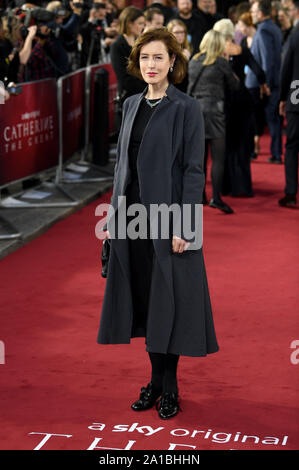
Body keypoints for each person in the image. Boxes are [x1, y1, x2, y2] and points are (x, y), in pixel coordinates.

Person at [97, 27, 219, 419]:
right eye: (145, 58)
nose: (151, 65)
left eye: (159, 58)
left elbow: (193, 171)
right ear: (137, 62)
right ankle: (153, 381)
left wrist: (186, 227)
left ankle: (170, 387)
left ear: (172, 63)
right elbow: (122, 168)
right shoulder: (131, 104)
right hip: (132, 220)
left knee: (171, 304)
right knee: (146, 303)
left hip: (169, 221)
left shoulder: (186, 108)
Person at [213, 18, 268, 197]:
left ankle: (226, 186)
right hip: (243, 102)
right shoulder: (242, 51)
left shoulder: (216, 53)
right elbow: (259, 71)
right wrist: (263, 85)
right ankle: (242, 187)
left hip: (225, 103)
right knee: (242, 145)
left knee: (226, 145)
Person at [187, 29, 239, 213]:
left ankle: (199, 195)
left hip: (194, 110)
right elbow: (235, 86)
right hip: (214, 111)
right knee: (217, 158)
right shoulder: (220, 63)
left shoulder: (193, 61)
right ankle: (216, 198)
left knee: (199, 158)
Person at [245, 0, 283, 164]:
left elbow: (267, 60)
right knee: (273, 119)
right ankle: (275, 152)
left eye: (253, 12)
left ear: (260, 13)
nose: (252, 15)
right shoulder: (274, 27)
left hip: (266, 83)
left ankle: (275, 153)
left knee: (269, 118)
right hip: (272, 81)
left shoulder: (263, 30)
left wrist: (265, 84)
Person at [110, 6, 146, 132]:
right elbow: (124, 78)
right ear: (130, 23)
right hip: (128, 100)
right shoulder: (117, 46)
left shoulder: (140, 43)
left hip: (144, 99)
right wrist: (147, 88)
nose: (143, 27)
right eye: (140, 23)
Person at [278, 6, 299, 207]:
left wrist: (283, 97)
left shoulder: (294, 35)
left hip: (296, 96)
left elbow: (286, 67)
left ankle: (291, 193)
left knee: (292, 146)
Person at [166, 18, 191, 91]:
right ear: (170, 33)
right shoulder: (167, 52)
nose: (180, 35)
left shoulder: (187, 51)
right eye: (176, 32)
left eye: (182, 32)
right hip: (172, 89)